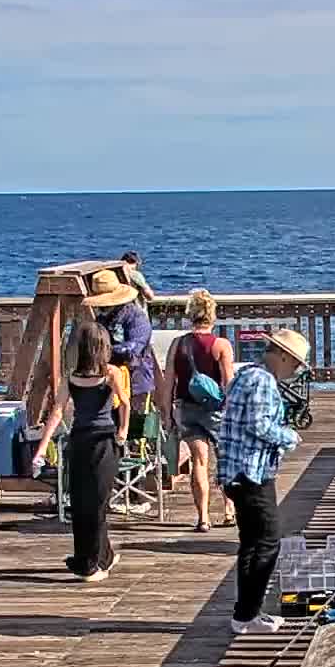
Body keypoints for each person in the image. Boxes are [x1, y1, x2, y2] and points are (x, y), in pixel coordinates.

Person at [217, 328, 310, 636]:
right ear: (281, 355)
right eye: (295, 363)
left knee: (252, 543)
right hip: (249, 473)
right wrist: (289, 436)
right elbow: (258, 424)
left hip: (241, 472)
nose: (295, 370)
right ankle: (246, 615)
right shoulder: (261, 380)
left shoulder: (248, 374)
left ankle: (246, 614)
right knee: (268, 542)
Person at [47, 322, 129, 583]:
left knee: (95, 503)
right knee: (84, 503)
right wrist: (122, 432)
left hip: (98, 441)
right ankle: (93, 558)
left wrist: (122, 433)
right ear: (103, 348)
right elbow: (58, 410)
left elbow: (124, 403)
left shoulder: (109, 374)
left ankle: (96, 560)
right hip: (89, 441)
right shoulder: (76, 377)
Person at [83, 269, 158, 512]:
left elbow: (134, 348)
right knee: (111, 435)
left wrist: (105, 352)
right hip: (108, 383)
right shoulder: (102, 319)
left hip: (136, 383)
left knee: (137, 437)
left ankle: (141, 494)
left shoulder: (136, 317)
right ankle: (114, 490)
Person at [165, 289, 237, 532]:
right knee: (225, 460)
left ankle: (204, 517)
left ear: (190, 315)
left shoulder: (178, 344)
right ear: (212, 315)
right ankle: (229, 510)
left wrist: (166, 412)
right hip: (217, 410)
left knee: (199, 461)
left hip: (187, 408)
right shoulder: (221, 345)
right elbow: (229, 383)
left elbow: (168, 382)